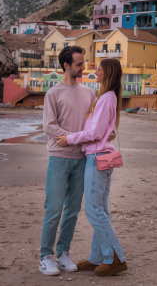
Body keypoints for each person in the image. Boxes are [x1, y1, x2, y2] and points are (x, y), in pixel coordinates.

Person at [39, 46, 115, 276]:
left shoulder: (89, 94)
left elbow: (94, 126)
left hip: (83, 159)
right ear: (66, 65)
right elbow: (49, 127)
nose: (84, 68)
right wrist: (75, 140)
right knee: (53, 209)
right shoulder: (53, 93)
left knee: (72, 210)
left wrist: (104, 134)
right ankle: (45, 257)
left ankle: (63, 253)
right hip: (59, 158)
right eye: (79, 64)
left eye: (84, 63)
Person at [56, 58, 128, 277]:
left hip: (97, 158)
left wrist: (69, 139)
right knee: (101, 209)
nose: (95, 71)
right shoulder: (106, 97)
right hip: (101, 157)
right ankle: (99, 257)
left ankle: (116, 257)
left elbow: (95, 133)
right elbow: (103, 130)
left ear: (107, 73)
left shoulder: (106, 98)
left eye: (98, 69)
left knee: (94, 210)